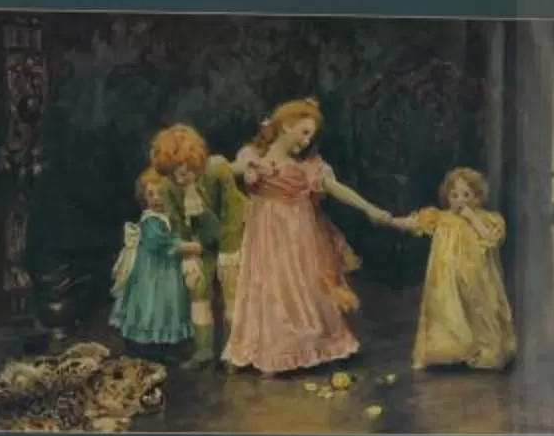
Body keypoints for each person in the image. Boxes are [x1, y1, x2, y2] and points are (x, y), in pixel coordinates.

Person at [226, 98, 389, 376]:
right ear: (286, 126)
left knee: (300, 283)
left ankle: (305, 344)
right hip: (265, 235)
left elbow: (335, 188)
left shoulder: (308, 166)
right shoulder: (253, 154)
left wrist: (370, 209)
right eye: (303, 132)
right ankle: (270, 348)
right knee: (269, 285)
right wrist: (251, 167)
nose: (306, 141)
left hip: (298, 234)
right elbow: (230, 169)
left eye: (310, 136)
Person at [396, 167, 517, 372]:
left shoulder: (486, 219)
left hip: (475, 276)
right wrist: (390, 220)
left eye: (466, 195)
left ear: (477, 197)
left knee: (478, 310)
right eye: (454, 195)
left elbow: (491, 239)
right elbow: (415, 222)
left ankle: (485, 351)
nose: (460, 200)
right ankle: (450, 351)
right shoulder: (441, 218)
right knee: (447, 312)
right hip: (446, 277)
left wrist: (472, 218)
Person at [148, 123, 247, 361]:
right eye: (173, 173)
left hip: (235, 238)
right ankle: (203, 351)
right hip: (203, 243)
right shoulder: (170, 187)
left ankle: (235, 351)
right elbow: (177, 222)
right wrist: (189, 257)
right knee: (198, 290)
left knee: (233, 291)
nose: (179, 178)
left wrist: (229, 251)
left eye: (183, 170)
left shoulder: (217, 171)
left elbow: (233, 213)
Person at [108, 171, 194, 357]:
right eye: (150, 194)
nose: (156, 199)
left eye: (161, 193)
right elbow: (161, 243)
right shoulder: (150, 220)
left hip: (168, 269)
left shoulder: (170, 216)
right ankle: (146, 345)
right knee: (151, 304)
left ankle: (163, 345)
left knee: (168, 305)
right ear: (144, 197)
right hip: (151, 272)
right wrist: (191, 246)